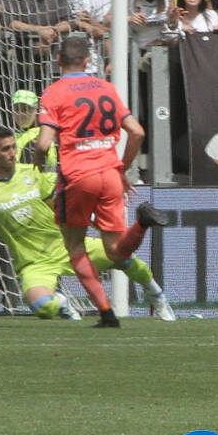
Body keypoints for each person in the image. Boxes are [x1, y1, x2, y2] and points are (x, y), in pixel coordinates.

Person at [0, 127, 175, 321]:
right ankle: (63, 305)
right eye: (4, 149)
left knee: (122, 256)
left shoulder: (34, 173)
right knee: (42, 307)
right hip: (33, 264)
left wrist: (94, 221)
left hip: (67, 246)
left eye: (13, 147)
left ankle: (157, 297)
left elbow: (61, 205)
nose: (11, 153)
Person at [34, 38, 169, 328]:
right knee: (116, 251)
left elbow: (44, 144)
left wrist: (35, 164)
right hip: (109, 174)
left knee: (75, 247)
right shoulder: (107, 88)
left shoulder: (53, 92)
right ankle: (142, 223)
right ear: (87, 62)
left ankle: (107, 313)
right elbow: (136, 132)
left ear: (58, 61)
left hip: (78, 176)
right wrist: (122, 170)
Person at [10, 89, 57, 166]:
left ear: (36, 110)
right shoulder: (11, 136)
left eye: (25, 109)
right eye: (17, 109)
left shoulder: (41, 134)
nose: (21, 113)